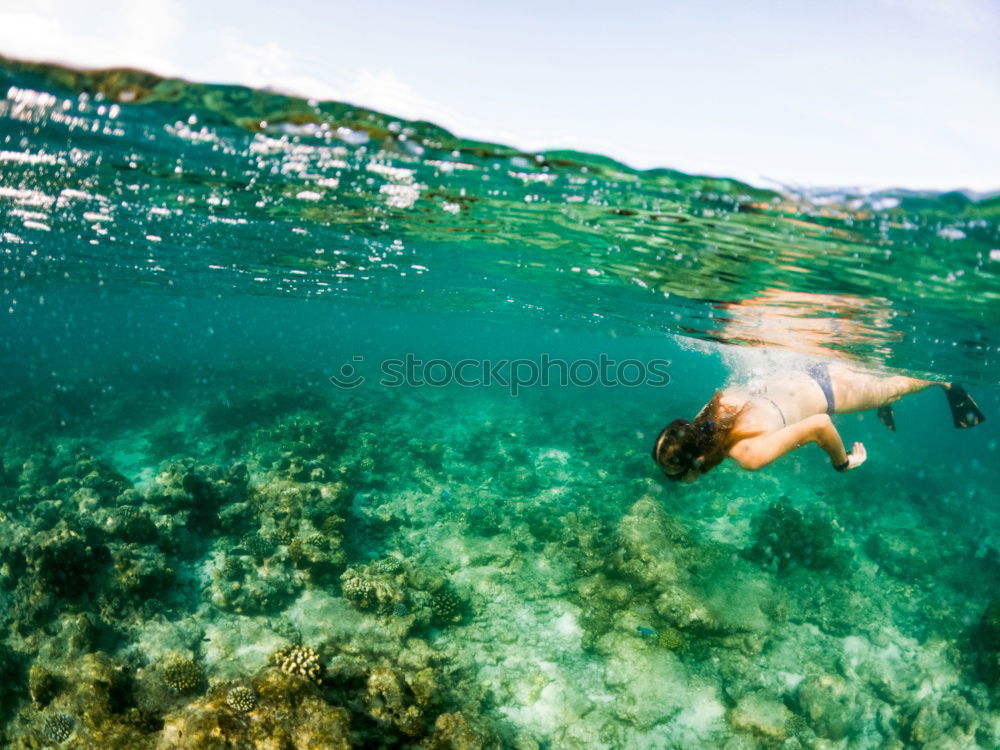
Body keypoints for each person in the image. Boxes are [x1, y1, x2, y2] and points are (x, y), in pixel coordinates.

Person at [652, 361, 985, 481]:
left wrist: (841, 463)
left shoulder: (747, 454)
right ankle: (884, 396)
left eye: (678, 476)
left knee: (899, 387)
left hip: (833, 392)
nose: (679, 482)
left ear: (696, 461)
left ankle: (945, 382)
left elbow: (821, 425)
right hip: (809, 368)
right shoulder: (713, 409)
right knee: (884, 387)